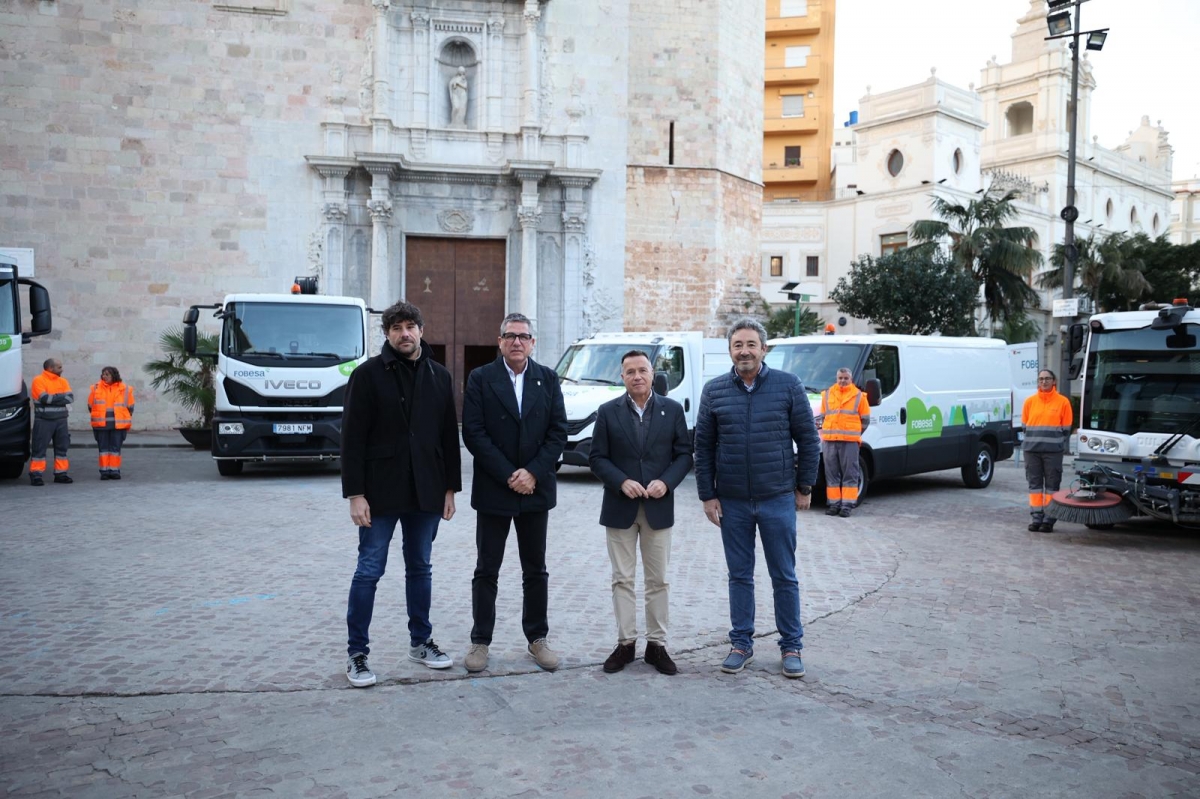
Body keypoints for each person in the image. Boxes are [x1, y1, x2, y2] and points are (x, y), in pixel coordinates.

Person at [340, 300, 462, 688]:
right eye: (396, 328)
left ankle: (421, 642)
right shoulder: (366, 375)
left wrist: (450, 488)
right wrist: (355, 494)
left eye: (410, 327)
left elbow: (449, 436)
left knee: (420, 567)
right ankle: (357, 653)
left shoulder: (440, 376)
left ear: (421, 331)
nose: (404, 334)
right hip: (379, 492)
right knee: (369, 570)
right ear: (387, 334)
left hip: (426, 490)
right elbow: (352, 438)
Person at [694, 319, 821, 678]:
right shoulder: (714, 391)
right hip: (732, 501)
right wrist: (707, 495)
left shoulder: (788, 385)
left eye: (751, 344)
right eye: (738, 345)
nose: (745, 351)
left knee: (784, 576)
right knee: (739, 576)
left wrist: (804, 486)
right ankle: (741, 644)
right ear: (729, 351)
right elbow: (703, 447)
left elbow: (808, 440)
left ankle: (791, 646)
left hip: (776, 498)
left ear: (764, 349)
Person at [461, 312, 568, 673]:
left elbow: (558, 431)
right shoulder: (481, 378)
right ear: (500, 341)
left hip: (535, 489)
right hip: (495, 488)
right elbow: (474, 432)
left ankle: (538, 638)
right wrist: (510, 474)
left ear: (532, 343)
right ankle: (480, 641)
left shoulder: (548, 379)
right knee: (486, 568)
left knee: (535, 569)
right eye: (510, 336)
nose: (517, 342)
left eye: (523, 336)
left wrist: (533, 472)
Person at [589, 350, 693, 675]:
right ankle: (626, 644)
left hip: (658, 508)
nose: (637, 376)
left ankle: (656, 646)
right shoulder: (608, 412)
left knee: (658, 580)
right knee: (622, 579)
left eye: (642, 370)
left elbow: (684, 455)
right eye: (630, 371)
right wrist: (621, 481)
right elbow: (597, 458)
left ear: (652, 373)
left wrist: (667, 482)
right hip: (619, 507)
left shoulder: (672, 410)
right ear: (622, 376)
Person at [1022, 369, 1073, 533]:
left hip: (1053, 452)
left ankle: (1049, 519)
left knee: (1052, 486)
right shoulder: (1029, 402)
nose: (1043, 381)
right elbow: (1025, 426)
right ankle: (1036, 518)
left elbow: (1066, 429)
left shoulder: (1063, 402)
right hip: (1032, 451)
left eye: (1047, 378)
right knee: (1034, 486)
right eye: (1041, 379)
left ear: (1054, 381)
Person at [816, 367, 870, 518]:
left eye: (846, 378)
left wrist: (854, 434)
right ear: (836, 378)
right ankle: (834, 504)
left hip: (849, 442)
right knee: (831, 475)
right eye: (840, 378)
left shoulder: (859, 396)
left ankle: (847, 506)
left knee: (850, 474)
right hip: (830, 441)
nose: (843, 381)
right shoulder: (827, 394)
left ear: (851, 379)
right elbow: (823, 417)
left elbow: (865, 420)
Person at [29, 358, 73, 486]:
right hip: (44, 420)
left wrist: (53, 398)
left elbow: (70, 398)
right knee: (39, 448)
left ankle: (61, 474)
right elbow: (44, 399)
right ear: (50, 368)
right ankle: (36, 474)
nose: (62, 369)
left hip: (61, 420)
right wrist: (61, 397)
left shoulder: (63, 381)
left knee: (62, 448)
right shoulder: (38, 380)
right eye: (59, 367)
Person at [86, 366, 135, 480]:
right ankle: (104, 471)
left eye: (107, 374)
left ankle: (114, 470)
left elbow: (131, 407)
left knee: (115, 449)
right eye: (103, 374)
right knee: (103, 449)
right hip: (101, 425)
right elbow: (90, 406)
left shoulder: (126, 389)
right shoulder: (95, 388)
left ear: (114, 375)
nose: (104, 376)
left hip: (118, 425)